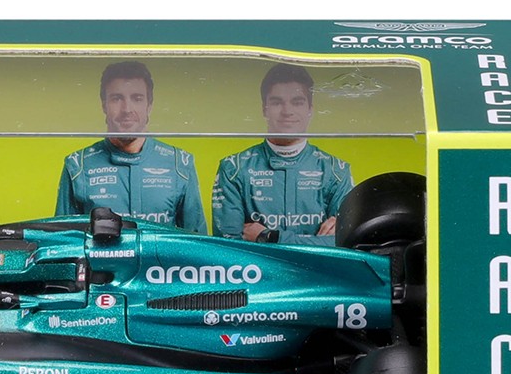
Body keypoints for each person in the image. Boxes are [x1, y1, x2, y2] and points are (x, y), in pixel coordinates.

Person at [56, 61, 207, 232]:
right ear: (104, 105)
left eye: (137, 98)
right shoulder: (78, 166)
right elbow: (63, 240)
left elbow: (198, 241)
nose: (127, 109)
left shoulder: (180, 163)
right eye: (117, 98)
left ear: (149, 106)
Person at [212, 63, 353, 246]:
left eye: (297, 102)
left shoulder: (336, 171)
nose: (287, 111)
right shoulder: (233, 169)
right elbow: (229, 249)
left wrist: (269, 237)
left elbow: (345, 246)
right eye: (277, 102)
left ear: (310, 109)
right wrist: (316, 242)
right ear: (264, 109)